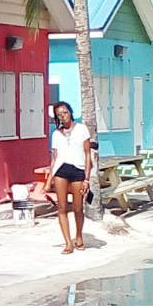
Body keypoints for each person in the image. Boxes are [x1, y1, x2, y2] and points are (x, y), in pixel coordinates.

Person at [49, 101, 92, 254]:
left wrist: (87, 178)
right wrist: (49, 180)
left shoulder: (82, 129)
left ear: (70, 112)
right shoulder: (56, 134)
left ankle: (78, 236)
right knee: (62, 208)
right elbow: (54, 158)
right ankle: (68, 243)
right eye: (59, 114)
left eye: (65, 112)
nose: (63, 116)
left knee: (78, 208)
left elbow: (87, 154)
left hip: (78, 170)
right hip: (61, 171)